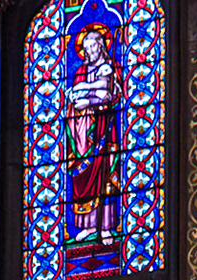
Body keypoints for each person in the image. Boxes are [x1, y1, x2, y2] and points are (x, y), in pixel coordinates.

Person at [66, 24, 120, 244]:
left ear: (101, 46)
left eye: (93, 47)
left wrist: (89, 97)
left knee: (105, 172)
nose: (90, 52)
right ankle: (88, 226)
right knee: (82, 175)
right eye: (86, 48)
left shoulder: (109, 67)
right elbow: (73, 95)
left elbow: (110, 94)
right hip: (82, 131)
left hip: (103, 128)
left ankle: (106, 227)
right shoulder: (80, 70)